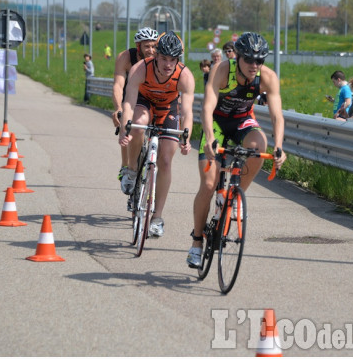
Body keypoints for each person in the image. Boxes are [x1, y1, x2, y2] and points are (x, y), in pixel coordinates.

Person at [186, 32, 286, 268]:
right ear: (238, 57)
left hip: (242, 122)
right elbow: (207, 108)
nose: (255, 65)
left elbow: (276, 115)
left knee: (259, 144)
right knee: (209, 185)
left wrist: (279, 146)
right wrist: (210, 138)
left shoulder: (267, 77)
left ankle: (237, 196)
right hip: (218, 124)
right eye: (250, 59)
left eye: (259, 60)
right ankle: (197, 242)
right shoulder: (222, 70)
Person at [119, 31, 195, 238]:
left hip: (168, 108)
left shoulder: (185, 76)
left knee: (166, 160)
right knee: (138, 125)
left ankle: (157, 217)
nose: (167, 64)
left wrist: (185, 137)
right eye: (163, 58)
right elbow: (128, 102)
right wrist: (125, 127)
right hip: (144, 103)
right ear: (155, 56)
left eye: (172, 60)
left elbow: (187, 111)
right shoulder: (140, 69)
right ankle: (132, 170)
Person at [112, 27, 160, 185]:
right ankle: (125, 166)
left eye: (154, 46)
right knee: (126, 125)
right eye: (147, 46)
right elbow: (119, 85)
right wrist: (118, 108)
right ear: (138, 46)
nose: (151, 50)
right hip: (132, 96)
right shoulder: (126, 57)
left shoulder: (160, 58)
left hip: (151, 97)